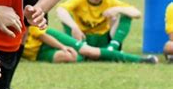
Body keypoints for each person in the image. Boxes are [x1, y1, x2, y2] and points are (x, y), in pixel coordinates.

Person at [56, 0, 156, 63]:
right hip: (82, 37)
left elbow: (137, 13)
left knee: (126, 14)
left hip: (102, 39)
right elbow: (60, 10)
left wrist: (117, 9)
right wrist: (74, 26)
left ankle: (112, 47)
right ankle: (104, 53)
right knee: (67, 18)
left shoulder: (109, 0)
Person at [23, 25, 157, 64]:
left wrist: (63, 46)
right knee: (70, 58)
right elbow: (62, 10)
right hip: (37, 54)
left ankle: (140, 60)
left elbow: (42, 35)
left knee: (90, 51)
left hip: (49, 37)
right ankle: (103, 54)